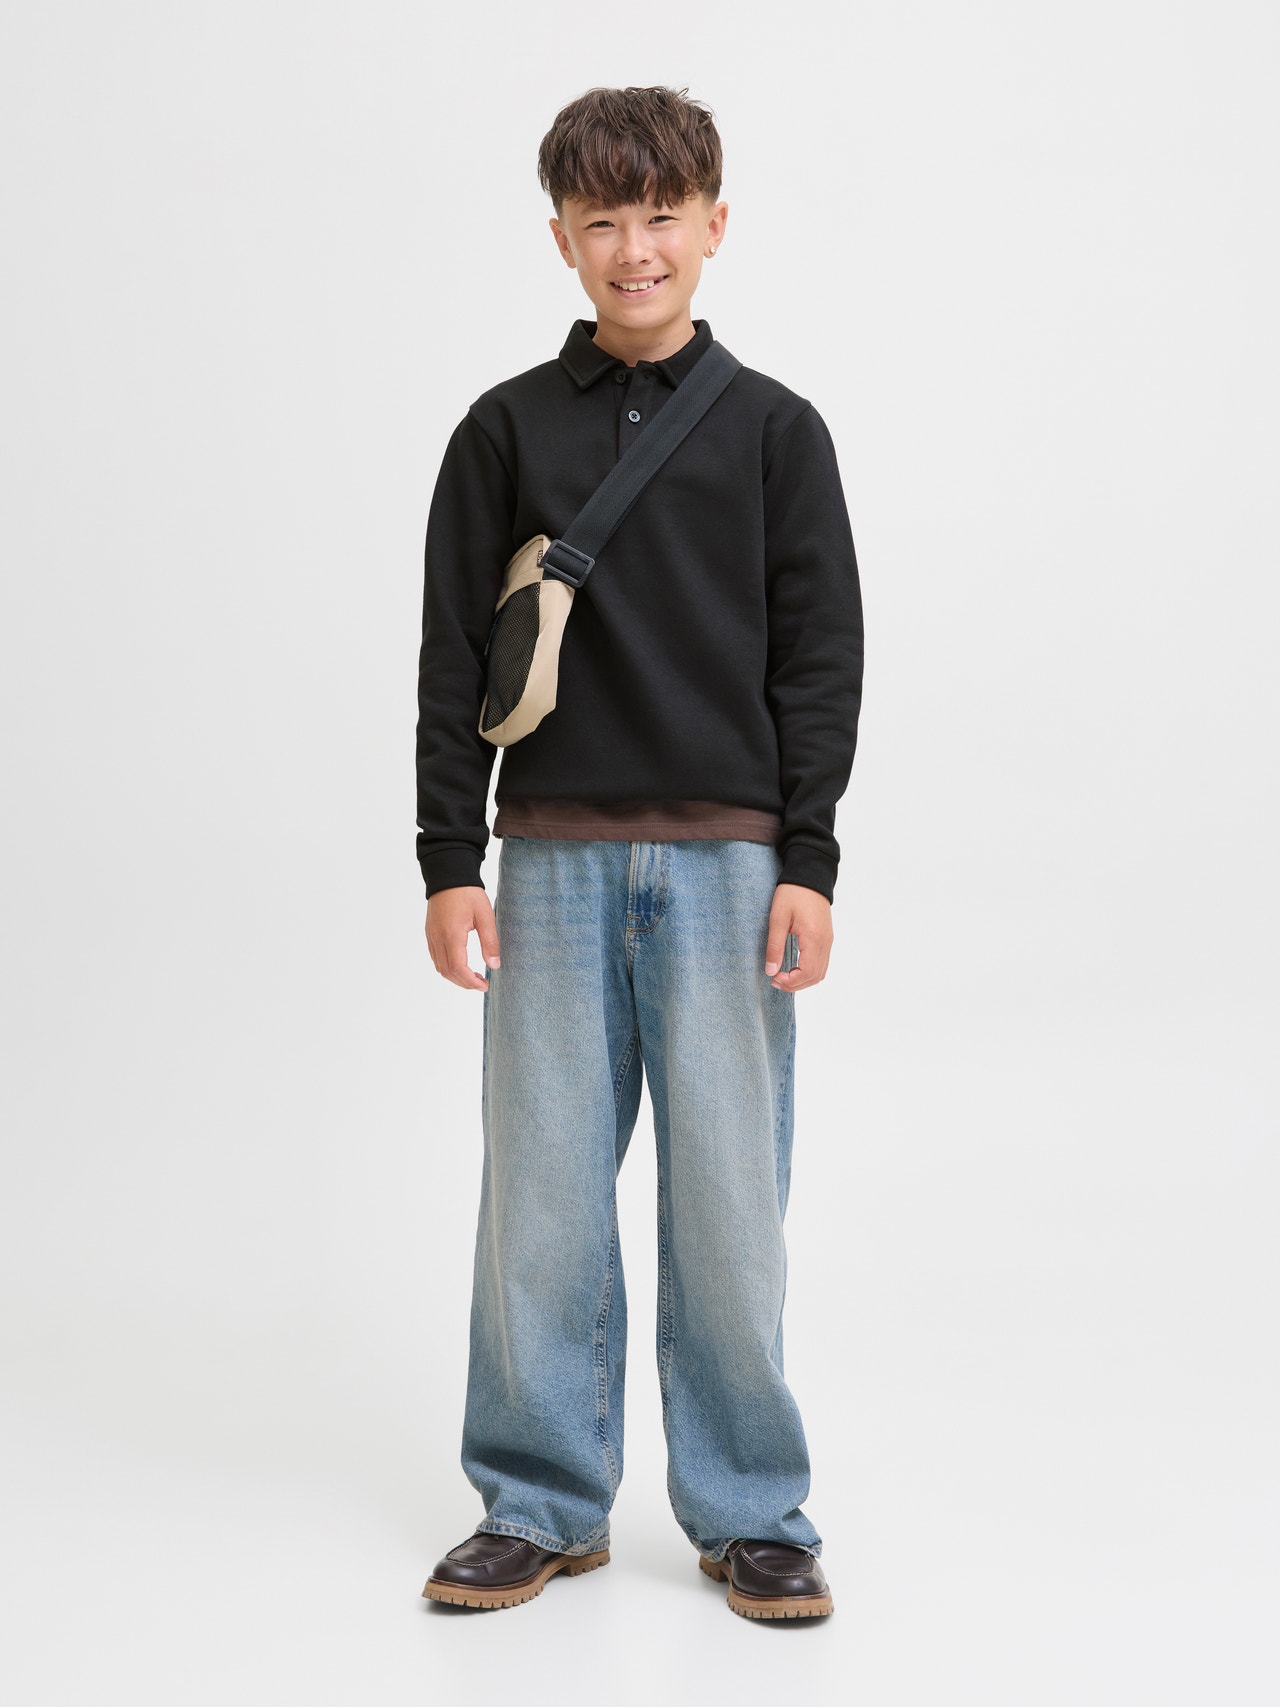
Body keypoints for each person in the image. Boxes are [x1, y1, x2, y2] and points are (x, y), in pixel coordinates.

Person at [414, 84, 864, 1620]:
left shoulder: (777, 431)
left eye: (662, 213)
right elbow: (450, 656)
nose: (635, 247)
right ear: (562, 238)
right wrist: (448, 860)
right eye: (602, 219)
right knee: (539, 1203)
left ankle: (753, 1511)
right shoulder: (503, 429)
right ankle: (539, 1501)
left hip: (732, 866)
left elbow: (820, 660)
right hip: (545, 861)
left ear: (715, 224)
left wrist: (809, 860)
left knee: (730, 1208)